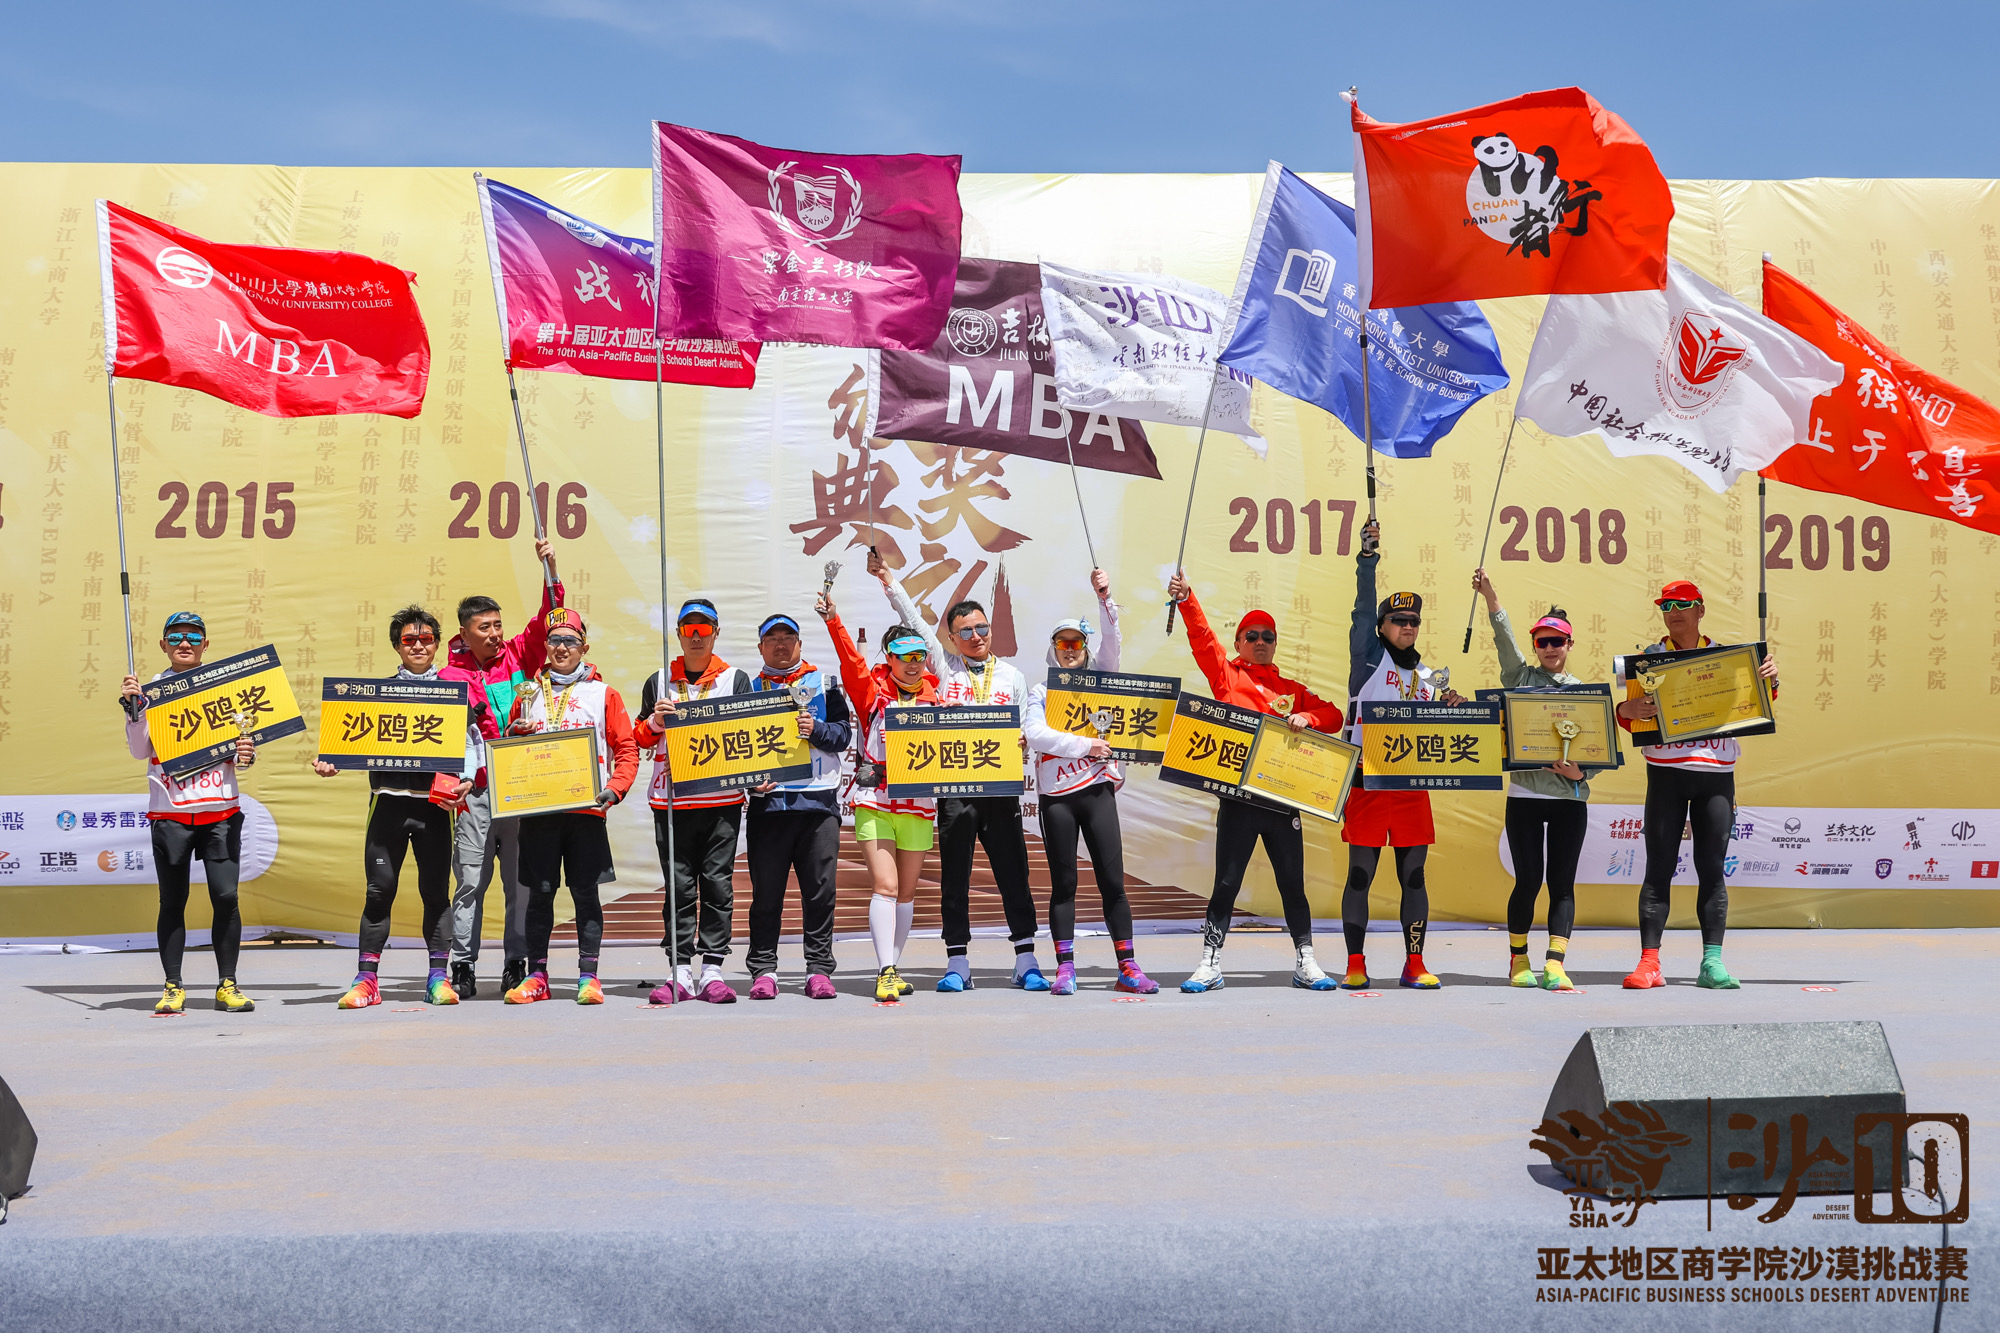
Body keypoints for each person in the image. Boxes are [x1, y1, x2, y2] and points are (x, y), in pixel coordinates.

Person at [868, 552, 1045, 992]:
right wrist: (888, 579)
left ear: (991, 630)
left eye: (981, 628)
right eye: (965, 631)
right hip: (955, 790)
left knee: (1013, 873)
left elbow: (1027, 725)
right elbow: (913, 619)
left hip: (999, 790)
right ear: (951, 637)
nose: (975, 636)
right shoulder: (945, 668)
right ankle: (958, 963)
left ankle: (1026, 959)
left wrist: (1023, 738)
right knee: (955, 878)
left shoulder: (1012, 676)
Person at [1164, 569, 1345, 993]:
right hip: (1239, 801)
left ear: (1275, 643)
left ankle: (1306, 962)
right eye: (1252, 636)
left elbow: (1334, 716)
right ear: (1240, 642)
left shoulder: (1290, 689)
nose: (1260, 642)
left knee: (1292, 885)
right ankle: (1210, 963)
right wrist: (1187, 598)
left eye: (1268, 636)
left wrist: (1308, 717)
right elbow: (1202, 639)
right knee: (1226, 883)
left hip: (1282, 803)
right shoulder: (1227, 676)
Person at [315, 606, 494, 1010]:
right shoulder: (376, 694)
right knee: (379, 891)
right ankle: (366, 980)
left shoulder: (452, 692)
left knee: (435, 894)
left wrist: (467, 779)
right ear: (397, 646)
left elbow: (472, 742)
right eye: (409, 640)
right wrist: (331, 762)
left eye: (426, 639)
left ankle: (437, 979)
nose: (418, 646)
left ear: (437, 644)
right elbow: (345, 743)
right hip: (388, 805)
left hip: (433, 808)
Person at [1615, 580, 1779, 991]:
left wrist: (1769, 680)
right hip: (1666, 774)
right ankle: (1650, 963)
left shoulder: (1729, 659)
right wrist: (1627, 708)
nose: (1673, 612)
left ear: (1700, 610)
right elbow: (1628, 717)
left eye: (1682, 604)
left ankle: (1712, 962)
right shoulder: (1647, 661)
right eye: (1666, 606)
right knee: (1658, 869)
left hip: (1716, 777)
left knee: (1711, 870)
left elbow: (1756, 704)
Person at [1020, 569, 1157, 996]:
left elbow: (1113, 644)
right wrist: (1086, 745)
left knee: (1112, 882)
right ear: (1053, 648)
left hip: (1097, 792)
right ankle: (1065, 968)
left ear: (1085, 648)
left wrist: (1105, 599)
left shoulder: (1102, 680)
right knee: (1064, 885)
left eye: (1076, 643)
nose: (1069, 650)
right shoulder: (1042, 690)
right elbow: (1035, 733)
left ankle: (1128, 967)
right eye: (1062, 644)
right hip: (1058, 798)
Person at [1344, 519, 1466, 991]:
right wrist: (1367, 559)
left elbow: (1443, 728)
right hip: (1367, 783)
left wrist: (1453, 707)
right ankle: (1356, 963)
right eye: (1398, 620)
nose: (1408, 627)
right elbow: (1361, 608)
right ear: (1382, 627)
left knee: (1414, 878)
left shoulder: (1429, 676)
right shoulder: (1369, 657)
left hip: (1411, 787)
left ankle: (1415, 963)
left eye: (1414, 621)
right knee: (1360, 876)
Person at [120, 611, 259, 1015]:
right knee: (172, 900)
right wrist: (134, 710)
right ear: (163, 645)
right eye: (177, 637)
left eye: (194, 637)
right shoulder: (150, 692)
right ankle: (173, 985)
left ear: (205, 645)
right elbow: (139, 751)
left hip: (220, 812)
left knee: (226, 897)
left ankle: (228, 984)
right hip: (170, 814)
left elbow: (243, 748)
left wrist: (246, 753)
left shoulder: (225, 690)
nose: (185, 643)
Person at [445, 536, 565, 999]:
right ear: (464, 632)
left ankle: (517, 961)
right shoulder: (448, 677)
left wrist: (550, 569)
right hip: (474, 792)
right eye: (485, 627)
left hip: (519, 786)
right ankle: (462, 965)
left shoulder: (519, 655)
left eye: (498, 624)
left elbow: (549, 616)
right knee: (470, 882)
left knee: (520, 883)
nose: (495, 633)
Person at [503, 608, 640, 1005]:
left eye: (570, 641)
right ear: (546, 646)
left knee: (585, 893)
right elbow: (510, 749)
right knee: (540, 895)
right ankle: (538, 976)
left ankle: (589, 977)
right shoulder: (528, 692)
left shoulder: (604, 693)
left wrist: (615, 789)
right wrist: (515, 733)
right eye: (555, 640)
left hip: (586, 811)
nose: (562, 648)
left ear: (584, 647)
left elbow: (626, 748)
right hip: (539, 811)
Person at [818, 586, 939, 1001]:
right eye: (904, 656)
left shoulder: (936, 699)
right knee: (885, 886)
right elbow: (851, 663)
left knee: (906, 893)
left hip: (919, 804)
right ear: (889, 658)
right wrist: (833, 620)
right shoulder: (873, 693)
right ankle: (884, 970)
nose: (913, 663)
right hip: (877, 800)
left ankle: (895, 967)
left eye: (918, 655)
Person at [631, 598, 752, 1005]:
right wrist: (655, 721)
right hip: (671, 801)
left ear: (716, 633)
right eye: (689, 629)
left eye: (704, 629)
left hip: (721, 800)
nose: (696, 636)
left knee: (717, 885)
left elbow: (749, 736)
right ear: (679, 634)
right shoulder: (659, 680)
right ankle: (680, 970)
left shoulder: (735, 679)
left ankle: (713, 970)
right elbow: (639, 737)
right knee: (679, 888)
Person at [1473, 568, 1589, 991]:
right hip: (1524, 795)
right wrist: (1491, 597)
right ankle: (1518, 959)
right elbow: (1505, 641)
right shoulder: (1520, 679)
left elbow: (1596, 746)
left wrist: (1582, 773)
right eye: (1542, 642)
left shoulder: (1583, 692)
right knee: (1528, 881)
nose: (1550, 648)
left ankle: (1555, 963)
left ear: (1570, 644)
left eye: (1557, 641)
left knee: (1562, 884)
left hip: (1569, 798)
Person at [742, 612, 852, 1001]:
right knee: (766, 895)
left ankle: (819, 970)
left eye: (788, 636)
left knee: (820, 894)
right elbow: (735, 751)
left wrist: (816, 729)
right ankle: (763, 970)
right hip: (769, 807)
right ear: (761, 647)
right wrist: (749, 780)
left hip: (818, 805)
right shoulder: (748, 689)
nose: (781, 643)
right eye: (772, 638)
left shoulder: (824, 684)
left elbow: (843, 734)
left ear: (800, 644)